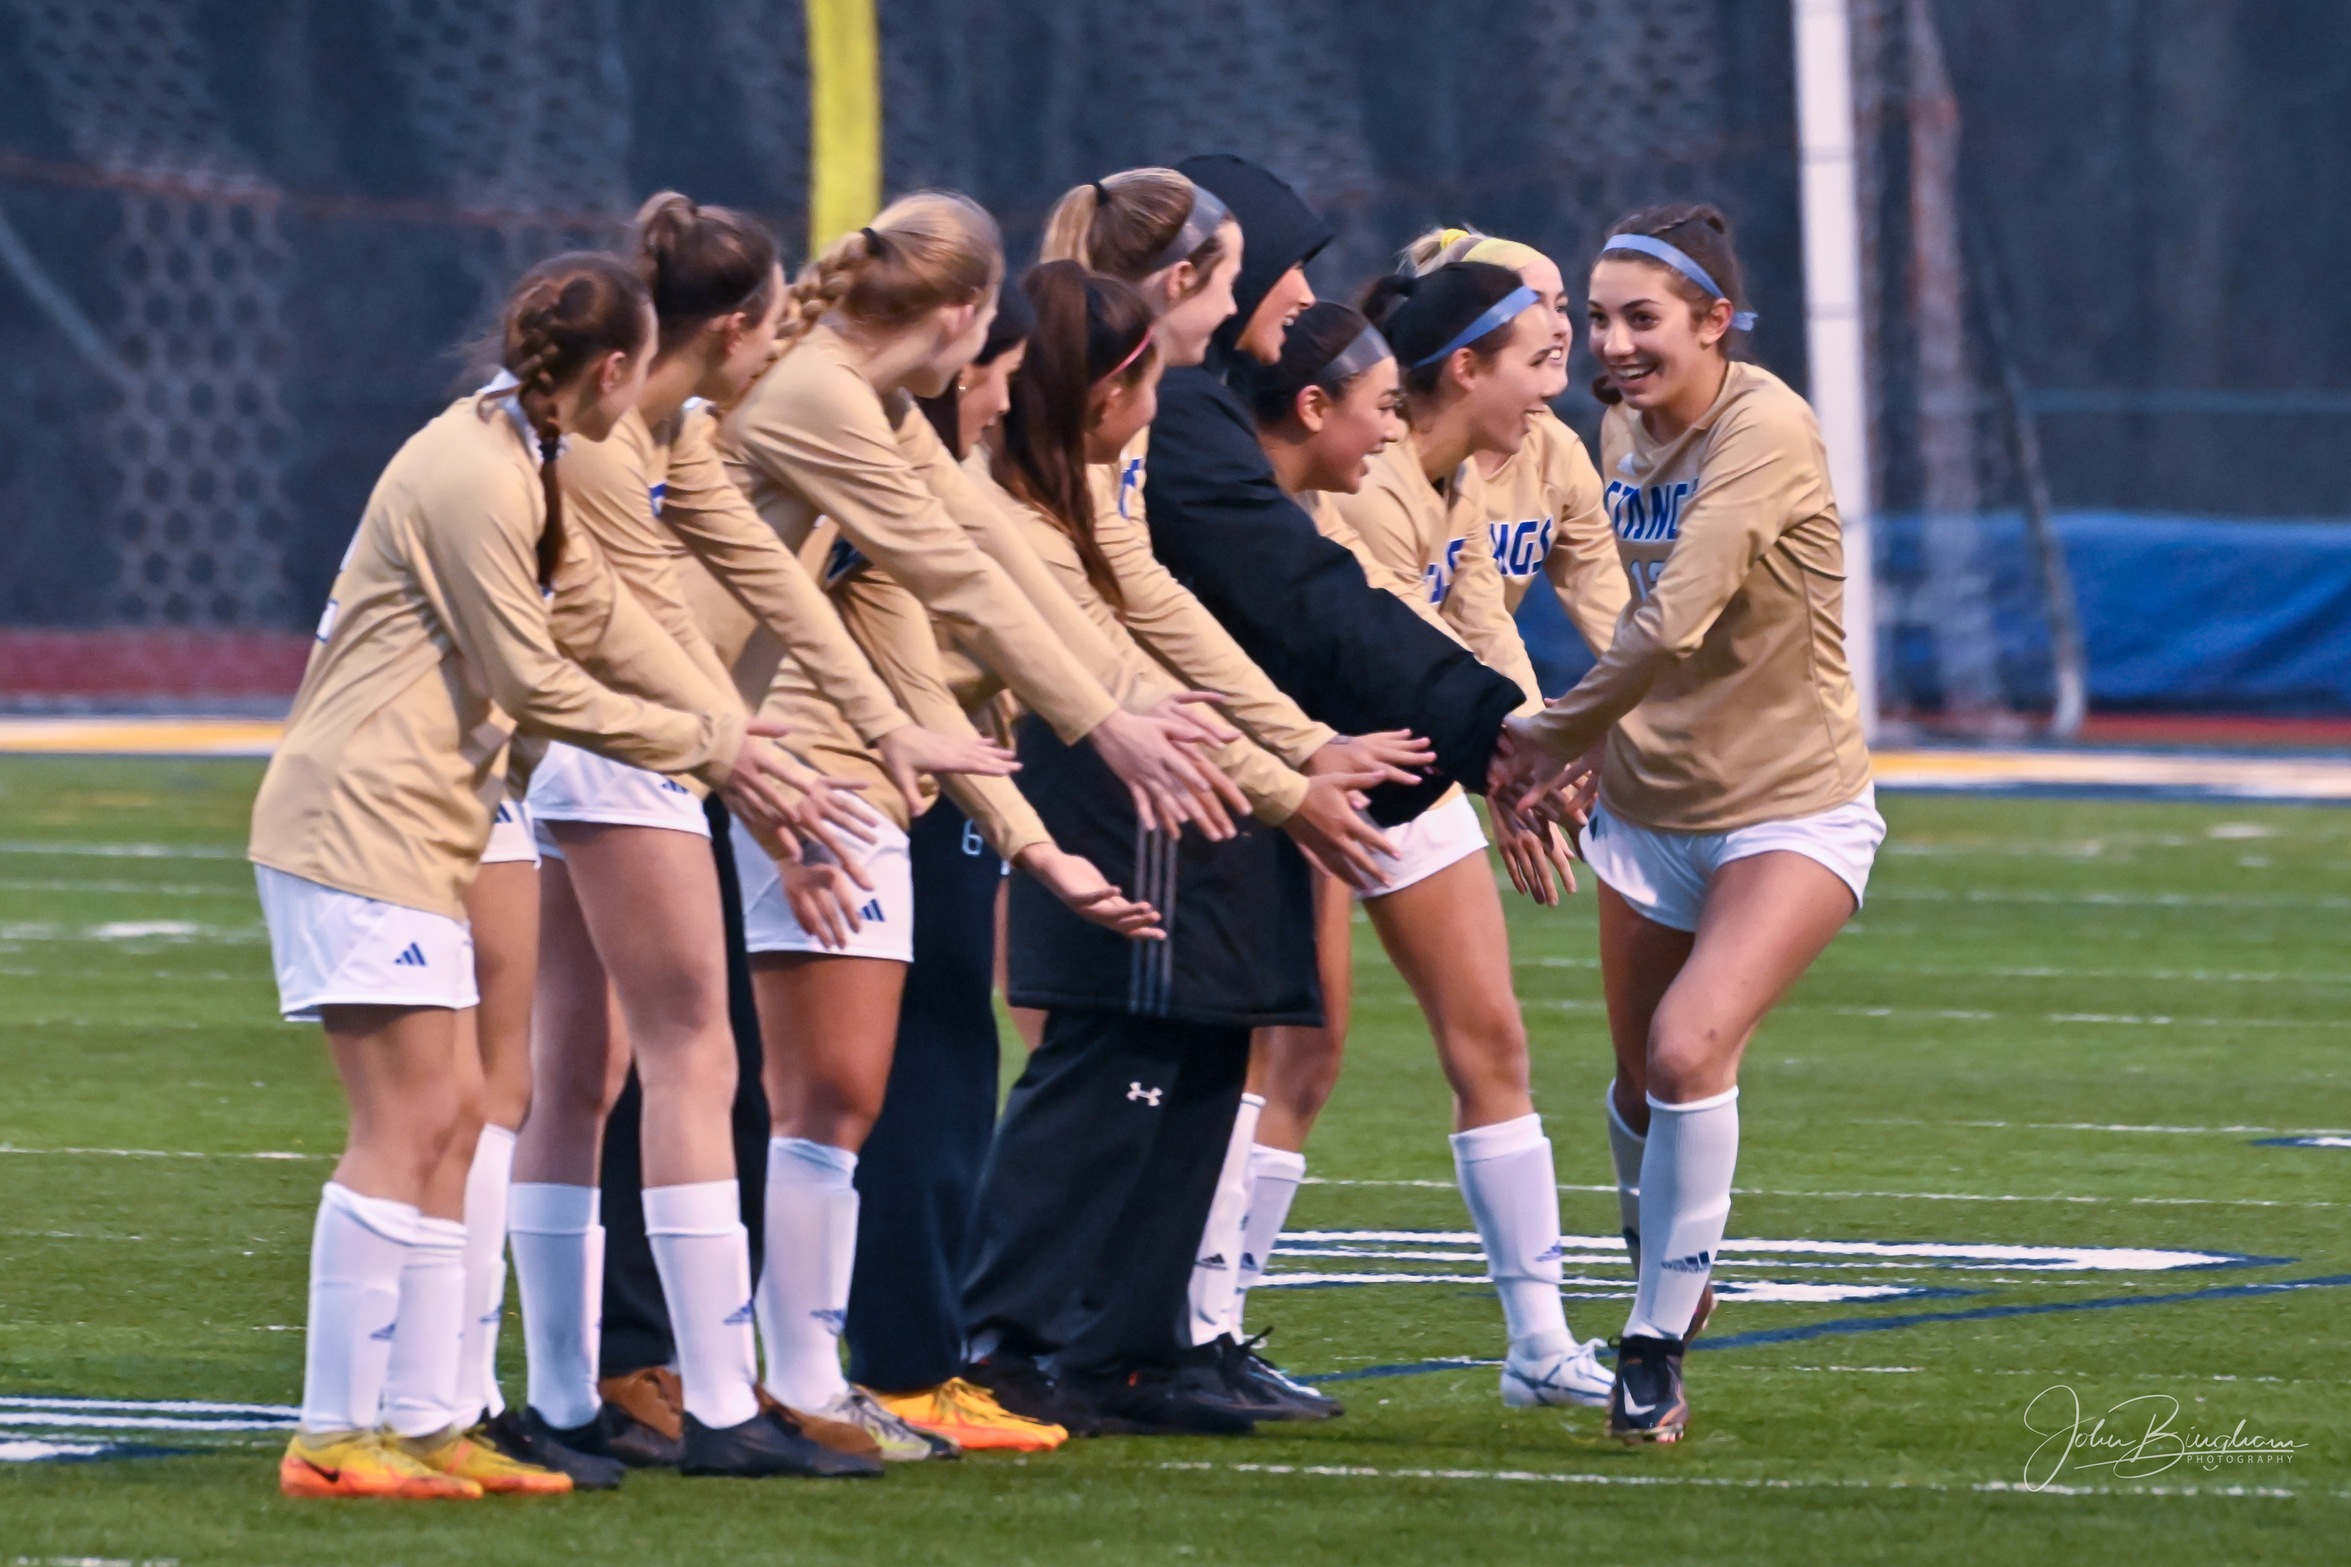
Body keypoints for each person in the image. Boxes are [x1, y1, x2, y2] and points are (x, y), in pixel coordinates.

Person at [250, 252, 810, 1498]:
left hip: (430, 815)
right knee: (406, 1122)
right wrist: (709, 744)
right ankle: (334, 1437)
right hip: (359, 818)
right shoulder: (472, 471)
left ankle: (431, 1417)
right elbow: (531, 679)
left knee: (460, 1112)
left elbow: (599, 614)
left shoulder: (525, 453)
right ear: (612, 369)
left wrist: (721, 722)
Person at [505, 193, 1010, 1478]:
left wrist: (865, 737)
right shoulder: (621, 449)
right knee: (685, 1059)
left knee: (570, 1081)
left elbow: (767, 589)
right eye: (773, 317)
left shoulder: (667, 436)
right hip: (614, 755)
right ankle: (723, 1398)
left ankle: (565, 1395)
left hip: (595, 755)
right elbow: (641, 639)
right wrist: (744, 764)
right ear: (734, 328)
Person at [955, 262, 1405, 1433]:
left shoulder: (1092, 480)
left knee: (1200, 1041)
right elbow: (1108, 671)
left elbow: (1151, 614)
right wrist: (1284, 780)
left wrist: (1298, 747)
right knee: (1100, 1050)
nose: (1167, 395)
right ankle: (995, 1342)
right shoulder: (1003, 505)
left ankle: (1129, 1349)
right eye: (1147, 374)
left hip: (1143, 768)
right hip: (991, 790)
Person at [1491, 205, 1881, 1443]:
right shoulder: (1614, 426)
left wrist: (1542, 732)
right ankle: (1663, 1251)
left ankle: (1651, 1345)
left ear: (1716, 322)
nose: (1610, 342)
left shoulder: (1764, 426)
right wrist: (1597, 745)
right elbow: (1624, 611)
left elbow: (1670, 625)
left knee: (1682, 1048)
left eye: (1640, 318)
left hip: (1790, 804)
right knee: (1634, 1085)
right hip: (1650, 806)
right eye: (1597, 318)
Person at [1402, 227, 1628, 662]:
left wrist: (1659, 706)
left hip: (1470, 698)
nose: (1557, 327)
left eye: (1561, 307)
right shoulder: (1387, 453)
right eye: (1531, 305)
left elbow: (1611, 611)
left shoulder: (1556, 452)